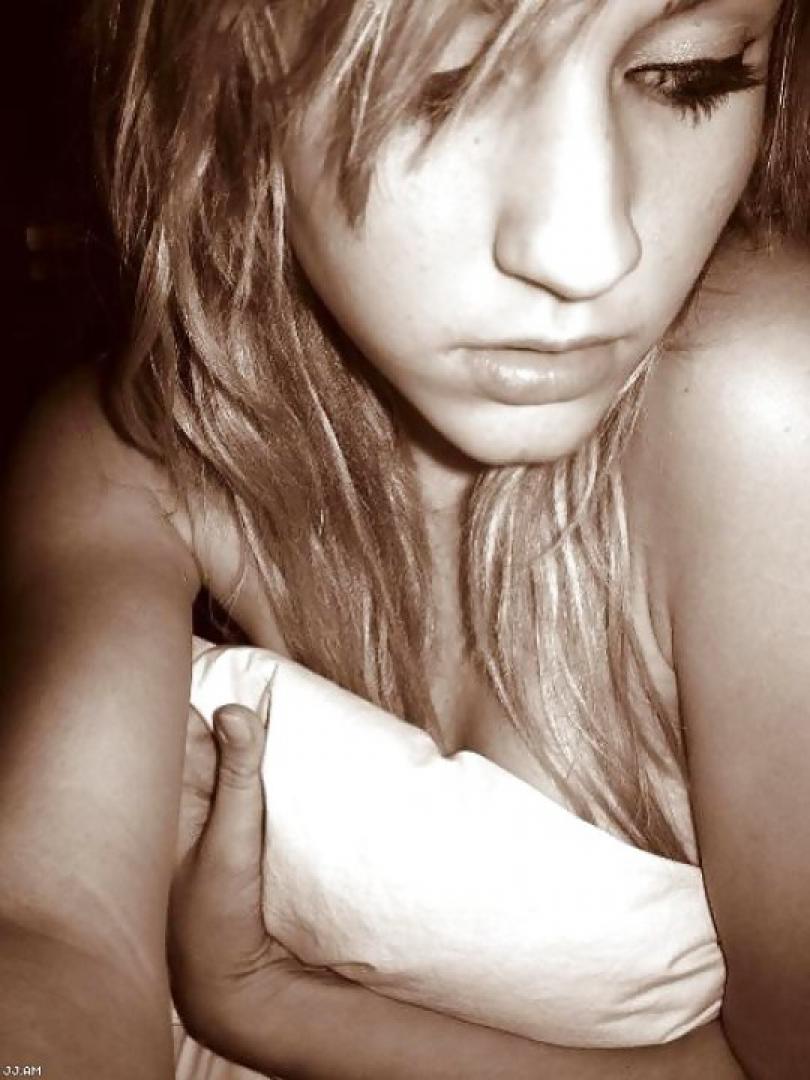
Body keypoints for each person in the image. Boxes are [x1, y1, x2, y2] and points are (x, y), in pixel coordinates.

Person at [1, 0, 809, 1076]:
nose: (588, 250)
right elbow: (52, 928)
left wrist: (276, 1010)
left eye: (685, 75)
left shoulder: (766, 403)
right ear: (221, 84)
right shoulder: (130, 452)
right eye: (441, 83)